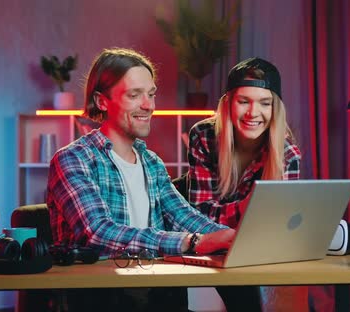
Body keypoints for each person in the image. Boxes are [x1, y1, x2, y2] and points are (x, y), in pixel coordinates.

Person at [47, 47, 235, 311]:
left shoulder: (152, 162)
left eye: (151, 94)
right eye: (135, 95)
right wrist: (192, 242)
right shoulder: (73, 159)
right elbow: (97, 233)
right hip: (100, 300)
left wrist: (235, 239)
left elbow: (185, 216)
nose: (149, 105)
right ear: (102, 101)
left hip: (156, 296)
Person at [178, 57, 306, 311]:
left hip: (244, 243)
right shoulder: (204, 135)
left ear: (274, 109)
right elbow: (198, 214)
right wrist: (249, 208)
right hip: (194, 232)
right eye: (243, 101)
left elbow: (277, 228)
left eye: (264, 103)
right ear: (229, 104)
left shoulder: (287, 153)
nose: (253, 113)